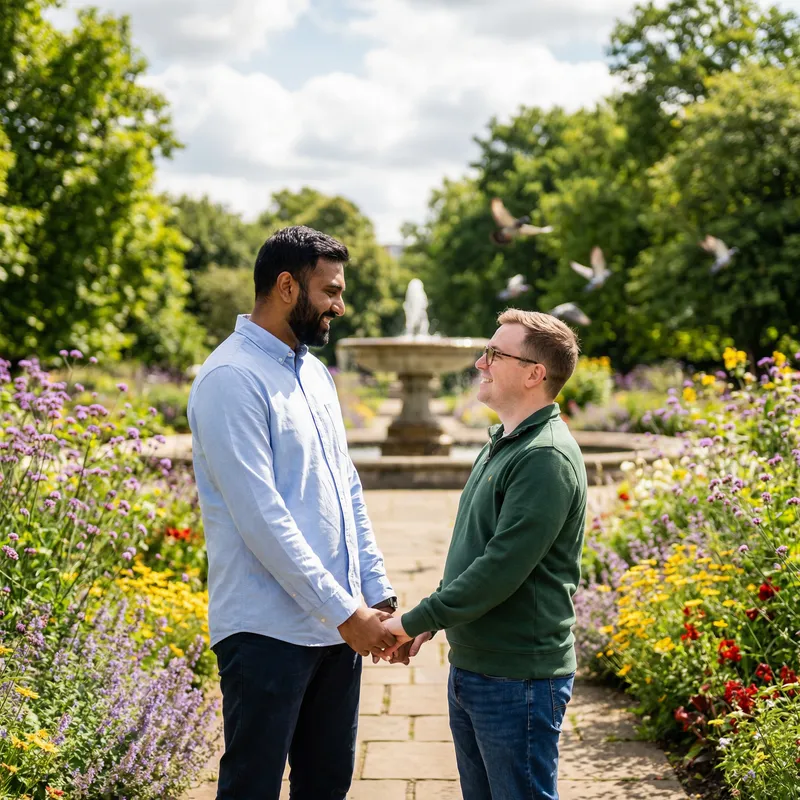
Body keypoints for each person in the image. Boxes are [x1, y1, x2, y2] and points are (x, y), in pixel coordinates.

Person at [187, 225, 399, 800]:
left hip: (335, 628)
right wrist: (345, 612)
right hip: (266, 632)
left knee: (326, 787)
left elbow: (345, 489)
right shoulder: (231, 379)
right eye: (330, 291)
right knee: (252, 788)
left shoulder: (312, 371)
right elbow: (262, 519)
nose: (340, 304)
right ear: (287, 286)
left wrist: (375, 594)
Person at [384, 308, 588, 800]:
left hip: (519, 679)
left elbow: (500, 570)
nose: (480, 362)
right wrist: (433, 621)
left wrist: (412, 621)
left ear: (535, 374)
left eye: (495, 354)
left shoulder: (544, 457)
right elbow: (474, 553)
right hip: (479, 668)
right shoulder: (506, 442)